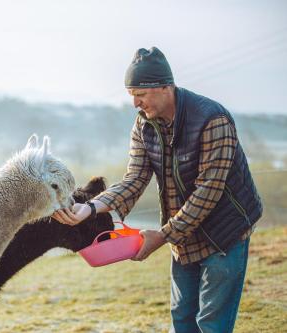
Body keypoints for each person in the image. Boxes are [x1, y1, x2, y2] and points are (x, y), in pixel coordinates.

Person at [53, 47, 262, 333]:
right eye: (131, 95)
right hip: (183, 236)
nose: (135, 103)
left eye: (140, 94)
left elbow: (208, 192)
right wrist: (89, 208)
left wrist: (162, 236)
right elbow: (134, 179)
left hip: (224, 234)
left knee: (211, 324)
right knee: (182, 319)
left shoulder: (213, 120)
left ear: (166, 86)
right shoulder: (144, 125)